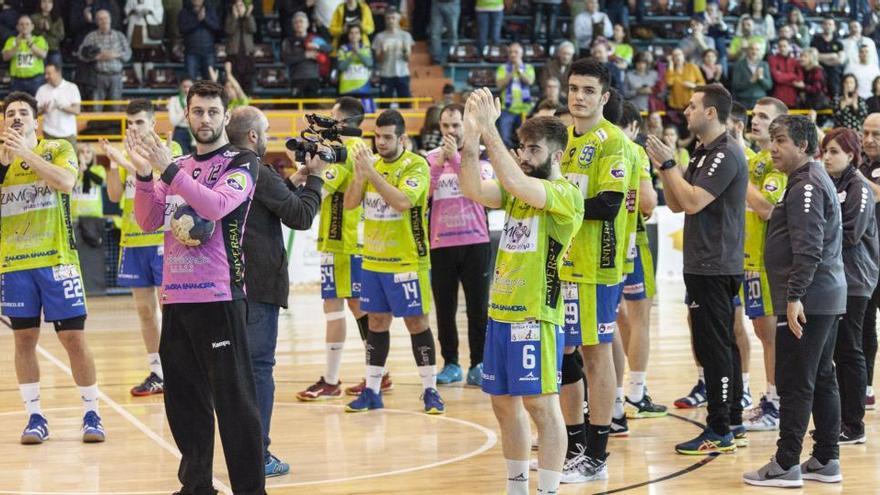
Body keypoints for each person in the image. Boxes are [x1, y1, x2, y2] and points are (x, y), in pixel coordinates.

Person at [131, 80, 264, 494]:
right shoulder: (181, 163)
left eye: (212, 111)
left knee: (235, 404)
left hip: (220, 298)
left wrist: (168, 169)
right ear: (186, 115)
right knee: (185, 404)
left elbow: (216, 206)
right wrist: (143, 172)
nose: (204, 119)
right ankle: (197, 487)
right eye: (197, 111)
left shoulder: (241, 161)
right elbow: (148, 220)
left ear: (225, 116)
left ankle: (250, 490)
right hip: (176, 298)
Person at [459, 88, 582, 495]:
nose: (524, 156)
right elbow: (475, 190)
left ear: (557, 156)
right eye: (522, 148)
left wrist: (490, 129)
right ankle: (517, 489)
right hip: (501, 314)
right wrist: (471, 138)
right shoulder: (517, 191)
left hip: (535, 317)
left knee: (541, 407)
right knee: (502, 404)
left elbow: (510, 178)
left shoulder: (565, 196)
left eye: (533, 150)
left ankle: (547, 490)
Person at [743, 115, 846, 487]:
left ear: (802, 145)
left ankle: (786, 463)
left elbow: (808, 248)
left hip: (811, 298)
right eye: (772, 140)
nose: (773, 148)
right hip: (823, 296)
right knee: (820, 376)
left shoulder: (805, 185)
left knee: (796, 379)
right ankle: (825, 458)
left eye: (781, 140)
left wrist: (795, 296)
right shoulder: (807, 180)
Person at [646, 83, 749, 454]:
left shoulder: (725, 154)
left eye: (691, 106)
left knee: (715, 348)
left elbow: (692, 202)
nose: (685, 111)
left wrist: (671, 164)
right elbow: (674, 203)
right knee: (720, 345)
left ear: (710, 113)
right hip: (704, 263)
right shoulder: (704, 152)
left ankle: (719, 427)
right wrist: (664, 168)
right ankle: (733, 421)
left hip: (715, 264)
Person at [0, 91, 104, 445]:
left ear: (35, 120)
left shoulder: (58, 149)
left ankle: (92, 411)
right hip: (14, 265)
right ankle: (35, 416)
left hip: (58, 261)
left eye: (23, 113)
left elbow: (65, 182)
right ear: (3, 122)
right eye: (10, 113)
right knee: (24, 339)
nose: (16, 117)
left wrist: (25, 153)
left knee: (73, 338)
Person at [229, 105, 324, 477]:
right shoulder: (256, 168)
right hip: (259, 286)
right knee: (259, 370)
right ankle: (258, 454)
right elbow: (299, 217)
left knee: (235, 373)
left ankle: (242, 450)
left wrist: (293, 179)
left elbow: (263, 203)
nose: (268, 135)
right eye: (265, 129)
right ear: (253, 136)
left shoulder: (226, 165)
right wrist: (315, 179)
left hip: (229, 284)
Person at [556, 58, 631, 482]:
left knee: (595, 356)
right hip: (562, 266)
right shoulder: (562, 138)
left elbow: (608, 204)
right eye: (573, 89)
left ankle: (597, 455)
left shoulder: (612, 142)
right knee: (564, 355)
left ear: (603, 97)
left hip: (597, 267)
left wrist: (555, 204)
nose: (578, 97)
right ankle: (575, 448)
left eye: (588, 90)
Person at [341, 109, 445, 415]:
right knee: (375, 322)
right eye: (377, 136)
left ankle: (430, 390)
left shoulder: (416, 165)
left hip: (407, 262)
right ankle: (372, 390)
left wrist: (371, 174)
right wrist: (361, 175)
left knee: (417, 323)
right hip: (373, 261)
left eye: (387, 137)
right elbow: (349, 204)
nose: (381, 142)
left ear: (403, 138)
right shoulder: (369, 165)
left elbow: (401, 202)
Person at [296, 97, 387, 401]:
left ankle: (332, 380)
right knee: (355, 307)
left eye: (331, 118)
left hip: (342, 242)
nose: (325, 123)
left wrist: (293, 184)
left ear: (344, 123)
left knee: (338, 307)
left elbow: (318, 189)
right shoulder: (357, 151)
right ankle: (378, 372)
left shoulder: (342, 154)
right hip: (347, 240)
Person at [101, 99, 184, 398]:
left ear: (152, 123)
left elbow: (163, 182)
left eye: (139, 122)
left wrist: (126, 160)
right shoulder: (124, 153)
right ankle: (157, 370)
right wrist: (113, 163)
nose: (134, 127)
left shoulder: (169, 149)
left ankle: (179, 368)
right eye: (130, 123)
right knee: (144, 310)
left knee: (169, 309)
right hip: (133, 241)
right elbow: (113, 194)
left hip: (163, 239)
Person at [427, 103, 492, 386]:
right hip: (441, 243)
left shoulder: (482, 158)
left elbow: (477, 190)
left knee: (478, 307)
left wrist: (455, 160)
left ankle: (478, 363)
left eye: (456, 125)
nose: (451, 131)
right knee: (444, 307)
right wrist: (439, 165)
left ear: (466, 126)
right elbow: (422, 196)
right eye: (446, 126)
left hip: (475, 241)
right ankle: (450, 362)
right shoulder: (430, 158)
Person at [821, 128, 878, 445]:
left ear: (851, 155)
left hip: (855, 279)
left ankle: (854, 424)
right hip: (835, 278)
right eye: (825, 151)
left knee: (849, 348)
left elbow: (851, 234)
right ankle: (842, 418)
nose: (827, 157)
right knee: (837, 350)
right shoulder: (831, 183)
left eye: (834, 151)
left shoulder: (859, 187)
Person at [741, 97, 790, 432]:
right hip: (750, 258)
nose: (755, 120)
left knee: (772, 334)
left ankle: (777, 402)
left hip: (768, 261)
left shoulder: (776, 165)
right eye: (754, 115)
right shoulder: (756, 159)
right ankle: (772, 397)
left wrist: (739, 179)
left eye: (764, 116)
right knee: (762, 332)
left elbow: (766, 208)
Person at [614, 100, 662, 425]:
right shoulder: (634, 152)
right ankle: (635, 392)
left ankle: (613, 397)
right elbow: (647, 202)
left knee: (609, 319)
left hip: (596, 246)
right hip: (631, 242)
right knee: (639, 316)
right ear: (633, 127)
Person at [860, 113, 880, 411]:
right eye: (865, 133)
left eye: (875, 134)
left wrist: (854, 177)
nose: (869, 139)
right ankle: (865, 386)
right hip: (867, 261)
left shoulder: (857, 173)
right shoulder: (862, 167)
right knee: (863, 323)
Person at [77, 9, 131, 111]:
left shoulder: (119, 36)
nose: (104, 21)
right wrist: (96, 57)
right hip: (98, 76)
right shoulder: (91, 37)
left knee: (115, 107)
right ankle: (95, 127)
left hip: (116, 76)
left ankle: (114, 127)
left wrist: (115, 54)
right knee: (96, 108)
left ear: (110, 19)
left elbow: (128, 55)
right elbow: (80, 54)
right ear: (97, 21)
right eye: (100, 19)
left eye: (106, 18)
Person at [495, 42, 535, 148]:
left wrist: (519, 71)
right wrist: (512, 72)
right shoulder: (502, 68)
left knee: (525, 138)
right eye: (511, 52)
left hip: (524, 109)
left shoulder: (528, 67)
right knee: (504, 138)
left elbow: (529, 81)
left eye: (516, 52)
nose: (513, 54)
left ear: (521, 53)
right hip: (507, 109)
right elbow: (499, 85)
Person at [281, 12, 329, 98]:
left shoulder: (315, 39)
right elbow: (286, 60)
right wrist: (305, 56)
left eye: (301, 21)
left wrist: (318, 46)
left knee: (313, 109)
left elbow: (329, 49)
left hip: (314, 78)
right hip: (296, 79)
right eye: (296, 22)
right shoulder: (288, 41)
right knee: (296, 109)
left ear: (307, 24)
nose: (299, 24)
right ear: (293, 25)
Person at [373, 8, 413, 103]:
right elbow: (378, 60)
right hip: (386, 74)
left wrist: (405, 50)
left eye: (393, 18)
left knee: (405, 103)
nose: (391, 21)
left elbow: (408, 59)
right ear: (385, 20)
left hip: (402, 73)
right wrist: (383, 51)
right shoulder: (379, 36)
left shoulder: (406, 36)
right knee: (385, 103)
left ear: (398, 18)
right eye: (388, 18)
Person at [35, 63, 81, 144]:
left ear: (58, 73)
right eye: (45, 74)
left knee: (71, 157)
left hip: (68, 133)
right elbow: (35, 113)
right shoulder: (42, 89)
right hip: (49, 132)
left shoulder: (72, 87)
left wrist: (62, 107)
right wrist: (43, 110)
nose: (46, 76)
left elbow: (77, 111)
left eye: (49, 73)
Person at [2, 15, 48, 96]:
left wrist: (30, 43)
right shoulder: (11, 40)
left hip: (35, 80)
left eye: (27, 24)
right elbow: (5, 57)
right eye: (22, 24)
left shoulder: (39, 39)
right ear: (17, 27)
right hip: (17, 81)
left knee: (36, 105)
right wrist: (16, 45)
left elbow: (43, 55)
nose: (24, 27)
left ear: (32, 27)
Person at [124, 0, 163, 86]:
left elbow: (159, 10)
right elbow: (127, 9)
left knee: (148, 55)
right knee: (137, 54)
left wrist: (149, 11)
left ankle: (148, 79)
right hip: (136, 25)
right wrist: (133, 11)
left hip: (150, 26)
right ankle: (139, 80)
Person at [179, 0, 220, 81]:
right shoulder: (185, 12)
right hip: (191, 52)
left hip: (209, 51)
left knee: (210, 81)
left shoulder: (210, 10)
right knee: (190, 81)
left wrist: (205, 19)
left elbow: (217, 27)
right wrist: (197, 20)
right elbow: (182, 29)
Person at [224, 0, 257, 94]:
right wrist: (235, 17)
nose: (239, 8)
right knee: (234, 83)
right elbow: (229, 30)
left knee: (248, 84)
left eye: (241, 5)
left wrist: (247, 15)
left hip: (247, 56)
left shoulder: (249, 17)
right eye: (237, 6)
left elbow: (253, 29)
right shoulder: (230, 18)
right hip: (233, 56)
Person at [337, 23, 374, 106]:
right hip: (346, 89)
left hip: (364, 88)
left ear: (360, 35)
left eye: (357, 32)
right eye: (351, 33)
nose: (354, 35)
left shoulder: (365, 48)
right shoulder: (343, 49)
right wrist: (352, 55)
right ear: (348, 35)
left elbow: (369, 63)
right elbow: (341, 67)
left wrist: (358, 52)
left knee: (364, 116)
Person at [811, 17, 847, 102]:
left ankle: (836, 98)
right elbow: (814, 56)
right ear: (822, 26)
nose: (828, 26)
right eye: (825, 24)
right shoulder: (815, 40)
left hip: (834, 73)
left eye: (830, 24)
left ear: (834, 27)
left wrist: (822, 58)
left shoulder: (838, 42)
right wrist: (833, 55)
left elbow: (840, 60)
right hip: (819, 70)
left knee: (835, 72)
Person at [731, 41, 773, 109]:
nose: (754, 51)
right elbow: (735, 85)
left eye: (757, 49)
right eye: (752, 49)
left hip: (760, 101)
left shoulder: (764, 64)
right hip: (743, 101)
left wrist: (761, 78)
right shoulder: (738, 64)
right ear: (747, 50)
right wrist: (750, 81)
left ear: (760, 52)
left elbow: (769, 86)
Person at [665, 48, 705, 112]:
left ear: (683, 56)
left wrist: (693, 85)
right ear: (672, 58)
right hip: (677, 105)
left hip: (692, 104)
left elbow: (703, 83)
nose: (677, 57)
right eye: (675, 55)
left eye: (679, 54)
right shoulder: (670, 70)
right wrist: (671, 65)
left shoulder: (692, 67)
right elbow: (669, 83)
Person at [770, 38, 803, 109]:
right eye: (780, 46)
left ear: (789, 47)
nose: (782, 48)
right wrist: (793, 75)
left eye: (784, 46)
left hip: (793, 98)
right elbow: (777, 78)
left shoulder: (795, 61)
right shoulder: (772, 59)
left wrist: (782, 75)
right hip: (778, 97)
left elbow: (800, 79)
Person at [30, 0, 63, 68]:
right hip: (38, 49)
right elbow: (29, 34)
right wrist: (39, 29)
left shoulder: (57, 18)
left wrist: (50, 29)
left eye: (50, 2)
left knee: (55, 72)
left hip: (53, 49)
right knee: (40, 72)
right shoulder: (34, 17)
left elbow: (61, 36)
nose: (46, 4)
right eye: (44, 2)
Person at [168, 78, 193, 155]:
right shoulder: (174, 100)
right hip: (180, 132)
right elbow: (173, 122)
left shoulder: (198, 100)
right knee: (182, 158)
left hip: (194, 131)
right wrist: (186, 110)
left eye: (189, 86)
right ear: (180, 87)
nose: (187, 89)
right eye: (184, 86)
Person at [429, 0, 458, 64]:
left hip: (452, 3)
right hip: (437, 3)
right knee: (435, 32)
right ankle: (436, 58)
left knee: (453, 32)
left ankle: (452, 55)